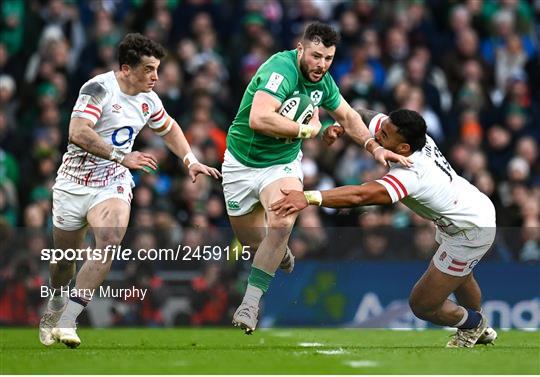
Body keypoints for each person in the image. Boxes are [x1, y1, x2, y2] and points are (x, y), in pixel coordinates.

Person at [223, 22, 410, 334]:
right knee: (252, 240)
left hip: (280, 164)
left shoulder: (323, 82)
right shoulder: (280, 71)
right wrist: (306, 130)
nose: (321, 64)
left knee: (283, 221)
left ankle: (251, 303)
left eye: (328, 58)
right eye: (316, 56)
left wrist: (374, 148)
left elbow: (349, 116)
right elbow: (258, 118)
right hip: (241, 164)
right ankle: (278, 251)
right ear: (301, 49)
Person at [39, 33, 221, 348]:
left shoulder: (149, 99)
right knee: (64, 262)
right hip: (72, 183)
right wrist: (123, 155)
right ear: (126, 68)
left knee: (108, 241)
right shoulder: (98, 89)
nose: (156, 76)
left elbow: (170, 127)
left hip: (112, 182)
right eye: (149, 69)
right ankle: (56, 301)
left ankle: (69, 319)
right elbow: (77, 131)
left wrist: (190, 160)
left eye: (157, 69)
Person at [270, 108, 498, 348]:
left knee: (422, 304)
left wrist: (307, 197)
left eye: (385, 135)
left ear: (403, 149)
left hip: (470, 230)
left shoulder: (411, 174)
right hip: (469, 209)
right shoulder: (416, 138)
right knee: (461, 276)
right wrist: (342, 122)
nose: (377, 134)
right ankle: (476, 326)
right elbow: (366, 115)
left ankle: (473, 323)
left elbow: (359, 196)